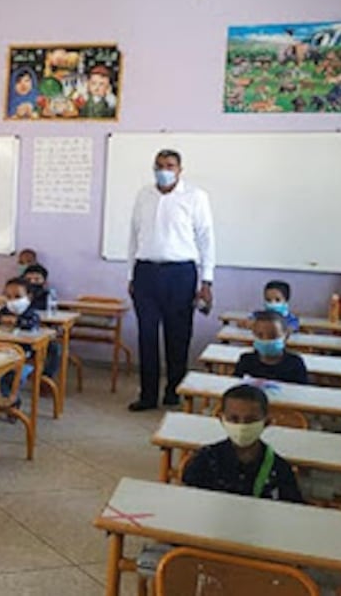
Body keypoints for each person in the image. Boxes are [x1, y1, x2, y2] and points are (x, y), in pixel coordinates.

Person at [126, 149, 216, 411]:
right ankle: (147, 395)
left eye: (170, 166)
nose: (164, 170)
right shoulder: (144, 195)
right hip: (145, 272)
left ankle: (174, 390)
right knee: (147, 336)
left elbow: (206, 238)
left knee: (178, 336)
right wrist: (131, 274)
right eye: (159, 165)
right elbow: (133, 236)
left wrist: (207, 281)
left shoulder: (195, 197)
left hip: (180, 273)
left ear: (179, 170)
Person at [182, 384, 304, 502]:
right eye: (234, 419)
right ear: (222, 419)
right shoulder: (205, 460)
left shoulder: (280, 469)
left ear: (267, 422)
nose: (242, 426)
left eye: (251, 420)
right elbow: (186, 503)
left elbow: (292, 512)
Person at [0, 278, 45, 402]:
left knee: (10, 377)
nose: (13, 301)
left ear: (29, 297)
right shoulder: (4, 312)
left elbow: (32, 324)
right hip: (1, 353)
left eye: (17, 296)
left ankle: (11, 401)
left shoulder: (31, 315)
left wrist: (18, 321)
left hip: (23, 358)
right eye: (8, 297)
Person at [233, 311, 308, 384]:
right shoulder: (246, 361)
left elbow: (302, 392)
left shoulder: (295, 364)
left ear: (286, 337)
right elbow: (236, 386)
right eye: (260, 335)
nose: (266, 340)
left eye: (273, 336)